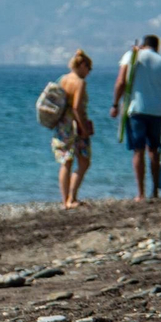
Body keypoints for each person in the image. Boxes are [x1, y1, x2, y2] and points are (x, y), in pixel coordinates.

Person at [108, 34, 161, 200]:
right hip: (157, 111)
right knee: (153, 151)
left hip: (136, 109)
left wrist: (115, 104)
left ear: (143, 45)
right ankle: (155, 191)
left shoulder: (132, 56)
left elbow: (120, 82)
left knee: (138, 151)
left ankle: (140, 193)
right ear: (157, 47)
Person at [52, 49, 94, 208]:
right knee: (84, 162)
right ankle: (72, 197)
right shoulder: (79, 82)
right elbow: (77, 107)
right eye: (89, 68)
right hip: (75, 125)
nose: (89, 72)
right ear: (82, 65)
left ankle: (65, 200)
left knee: (66, 162)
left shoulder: (63, 79)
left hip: (62, 124)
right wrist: (84, 128)